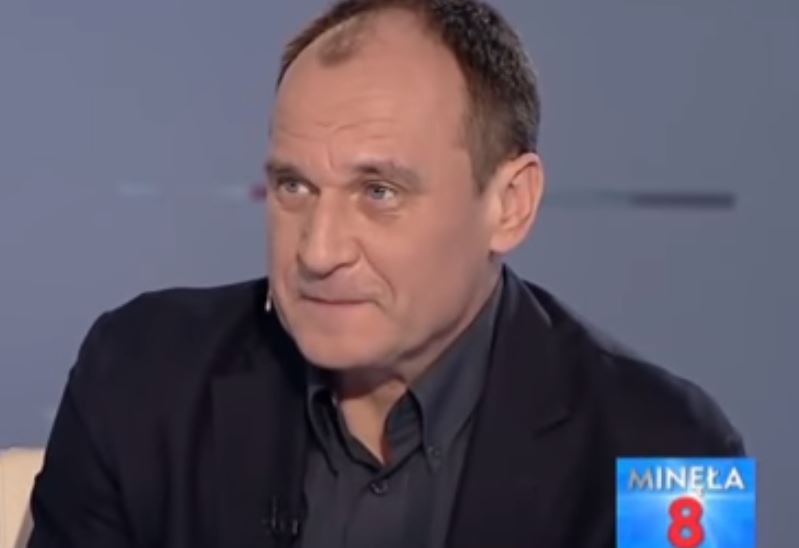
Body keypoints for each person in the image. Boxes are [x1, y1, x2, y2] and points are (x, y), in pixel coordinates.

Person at [27, 1, 745, 547]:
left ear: (509, 204)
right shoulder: (139, 377)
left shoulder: (668, 451)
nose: (318, 251)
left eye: (379, 191)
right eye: (294, 187)